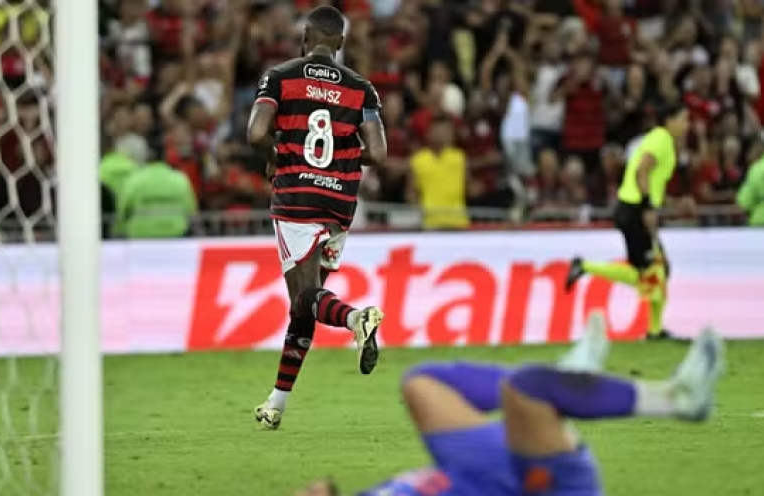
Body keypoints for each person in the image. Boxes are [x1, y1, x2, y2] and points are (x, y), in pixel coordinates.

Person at [292, 311, 726, 496]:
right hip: (525, 487)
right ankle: (674, 399)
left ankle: (567, 380)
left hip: (473, 473)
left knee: (421, 383)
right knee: (530, 390)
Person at [248, 5, 388, 430]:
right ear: (341, 42)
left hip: (296, 197)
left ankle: (354, 319)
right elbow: (378, 152)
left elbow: (256, 132)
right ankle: (276, 403)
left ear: (305, 37)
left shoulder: (281, 76)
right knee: (306, 306)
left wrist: (276, 158)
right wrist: (342, 158)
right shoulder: (362, 88)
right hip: (340, 202)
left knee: (302, 298)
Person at [565, 103, 690, 341]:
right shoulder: (661, 139)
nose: (687, 125)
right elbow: (641, 171)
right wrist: (647, 208)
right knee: (651, 271)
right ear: (669, 121)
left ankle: (655, 330)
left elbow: (651, 182)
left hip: (633, 208)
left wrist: (672, 203)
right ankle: (584, 266)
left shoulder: (663, 142)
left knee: (656, 269)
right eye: (683, 119)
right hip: (634, 210)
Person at [114, 160, 197, 239]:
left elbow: (122, 210)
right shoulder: (180, 179)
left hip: (140, 235)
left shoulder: (134, 180)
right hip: (175, 234)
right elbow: (191, 210)